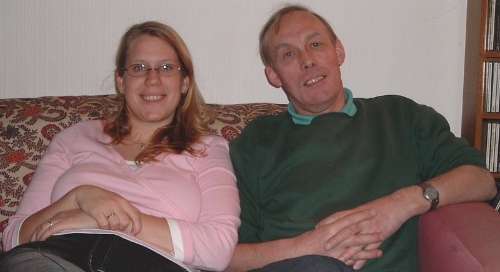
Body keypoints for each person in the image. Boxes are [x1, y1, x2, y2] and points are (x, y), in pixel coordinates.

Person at [228, 4, 497, 272]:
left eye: (316, 44)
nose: (307, 60)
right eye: (288, 54)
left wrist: (401, 204)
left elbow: (481, 180)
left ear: (339, 51)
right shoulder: (256, 141)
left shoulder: (400, 116)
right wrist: (309, 247)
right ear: (274, 75)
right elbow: (229, 257)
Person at [0, 21, 240, 272]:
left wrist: (101, 220)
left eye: (167, 68)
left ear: (184, 82)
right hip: (58, 257)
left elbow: (218, 249)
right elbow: (14, 237)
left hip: (154, 262)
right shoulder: (73, 137)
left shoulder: (208, 149)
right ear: (121, 80)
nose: (152, 79)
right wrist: (78, 197)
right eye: (139, 68)